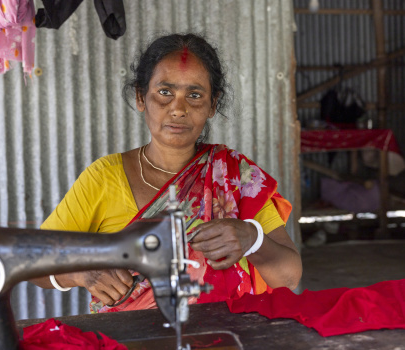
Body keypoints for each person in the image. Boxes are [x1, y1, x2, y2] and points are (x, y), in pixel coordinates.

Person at [30, 33, 302, 313]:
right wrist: (81, 272)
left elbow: (290, 277)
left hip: (225, 344)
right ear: (140, 97)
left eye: (194, 95)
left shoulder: (236, 178)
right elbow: (35, 262)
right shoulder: (104, 177)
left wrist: (252, 238)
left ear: (213, 104)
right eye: (165, 92)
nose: (178, 109)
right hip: (130, 347)